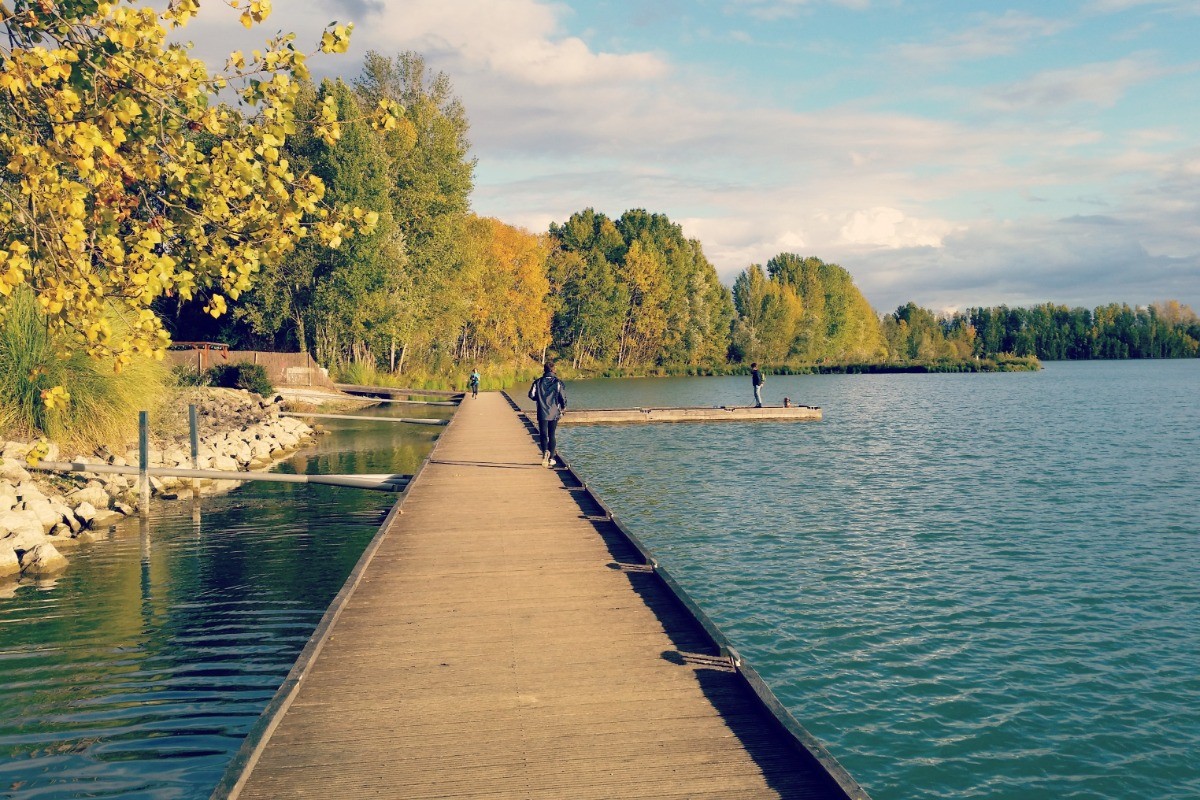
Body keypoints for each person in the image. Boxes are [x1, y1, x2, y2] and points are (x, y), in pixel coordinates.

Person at [528, 360, 567, 467]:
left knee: (543, 434)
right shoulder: (558, 382)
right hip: (554, 412)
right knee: (552, 434)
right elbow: (562, 397)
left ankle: (545, 451)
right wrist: (563, 407)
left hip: (542, 412)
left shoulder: (537, 382)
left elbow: (531, 395)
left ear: (544, 370)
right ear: (553, 370)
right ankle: (551, 458)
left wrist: (539, 399)